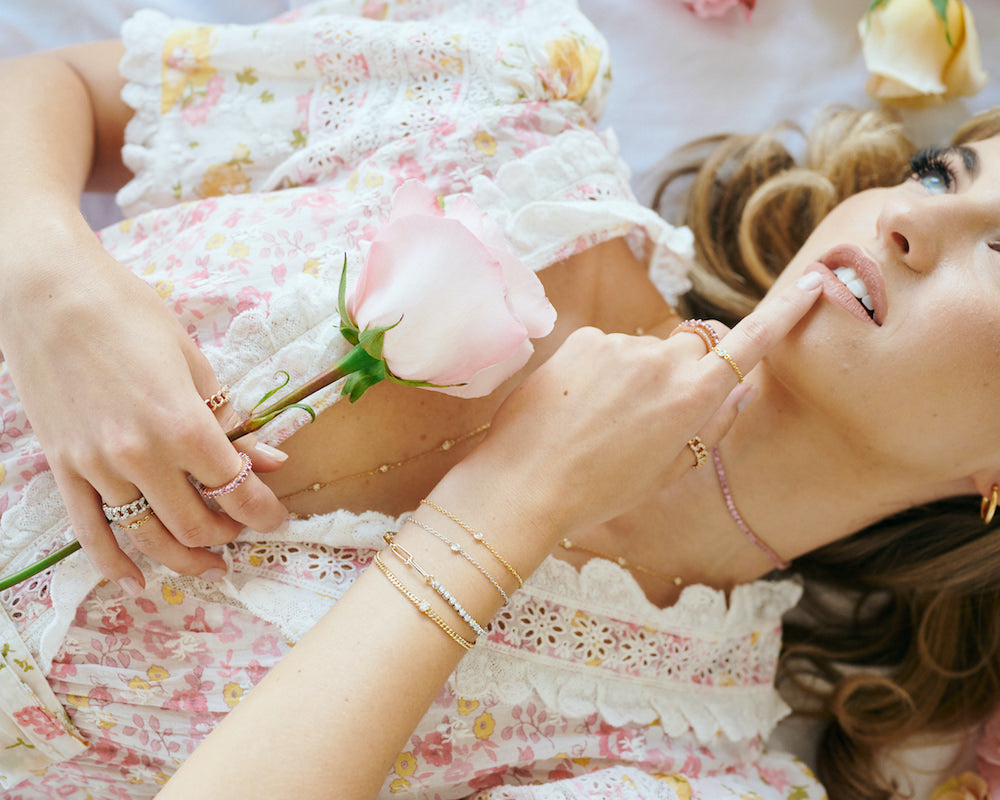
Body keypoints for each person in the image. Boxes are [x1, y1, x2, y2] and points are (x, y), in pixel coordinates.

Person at [0, 2, 997, 799]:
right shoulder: (508, 125)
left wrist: (508, 503)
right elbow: (49, 88)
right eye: (942, 169)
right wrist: (48, 283)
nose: (912, 216)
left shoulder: (676, 756)